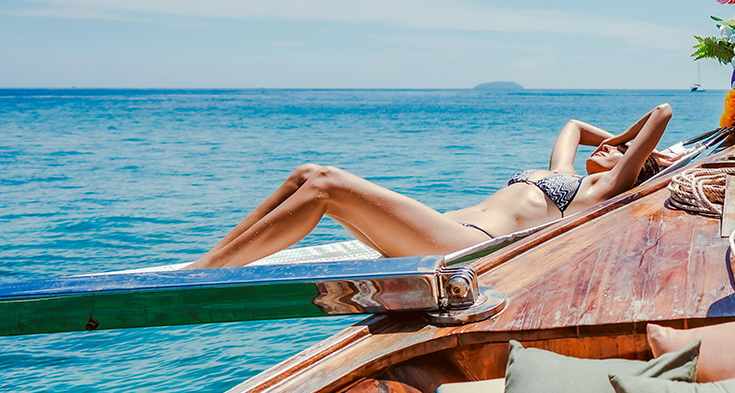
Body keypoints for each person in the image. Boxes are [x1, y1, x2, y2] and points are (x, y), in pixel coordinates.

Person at [188, 103, 675, 268]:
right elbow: (571, 124)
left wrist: (627, 142)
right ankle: (213, 259)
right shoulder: (563, 173)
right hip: (442, 229)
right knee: (306, 174)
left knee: (327, 185)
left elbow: (662, 114)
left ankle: (202, 273)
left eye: (614, 152)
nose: (604, 147)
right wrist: (608, 141)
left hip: (465, 248)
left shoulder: (597, 192)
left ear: (629, 165)